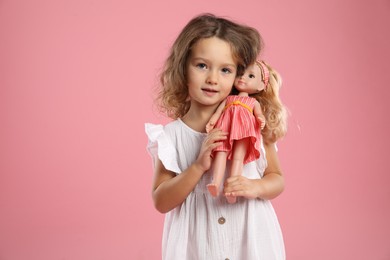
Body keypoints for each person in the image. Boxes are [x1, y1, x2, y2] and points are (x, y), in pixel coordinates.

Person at [145, 13, 287, 260]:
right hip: (198, 250)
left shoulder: (253, 125)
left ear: (237, 76)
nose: (212, 78)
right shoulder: (172, 136)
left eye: (225, 70)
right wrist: (198, 166)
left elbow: (277, 179)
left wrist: (255, 186)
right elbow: (161, 201)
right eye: (201, 65)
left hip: (251, 246)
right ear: (183, 68)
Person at [205, 61, 269, 204]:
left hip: (244, 130)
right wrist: (212, 120)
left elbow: (259, 115)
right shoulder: (229, 99)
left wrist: (260, 119)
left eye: (251, 76)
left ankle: (232, 189)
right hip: (225, 127)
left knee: (238, 158)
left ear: (261, 86)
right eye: (240, 74)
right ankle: (215, 183)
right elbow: (219, 111)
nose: (243, 78)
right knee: (220, 152)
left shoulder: (253, 102)